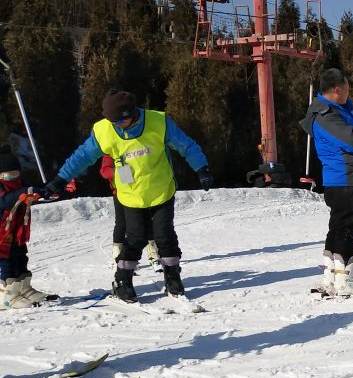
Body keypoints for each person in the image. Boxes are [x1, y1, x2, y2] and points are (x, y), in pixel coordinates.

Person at [41, 90, 212, 302]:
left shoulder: (158, 122)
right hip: (130, 195)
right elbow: (82, 157)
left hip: (161, 191)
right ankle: (122, 280)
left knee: (165, 236)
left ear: (133, 114)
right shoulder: (105, 130)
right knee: (136, 238)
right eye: (112, 122)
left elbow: (186, 145)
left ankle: (172, 277)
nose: (116, 125)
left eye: (120, 121)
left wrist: (201, 169)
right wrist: (59, 181)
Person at [299, 68, 353, 296]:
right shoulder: (327, 115)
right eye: (346, 88)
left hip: (344, 179)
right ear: (337, 89)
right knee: (347, 228)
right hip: (346, 180)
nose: (348, 93)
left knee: (338, 226)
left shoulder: (335, 111)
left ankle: (333, 277)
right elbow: (352, 141)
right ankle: (346, 280)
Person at [0, 151, 51, 308]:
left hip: (18, 231)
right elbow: (6, 200)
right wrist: (24, 192)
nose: (13, 178)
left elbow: (29, 192)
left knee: (21, 257)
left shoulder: (20, 184)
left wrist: (49, 189)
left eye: (16, 174)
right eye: (8, 175)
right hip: (2, 235)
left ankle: (24, 289)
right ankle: (8, 295)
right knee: (8, 261)